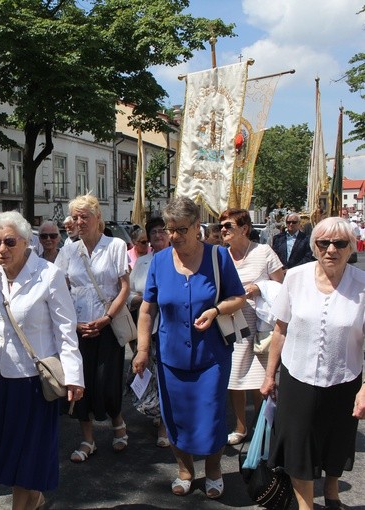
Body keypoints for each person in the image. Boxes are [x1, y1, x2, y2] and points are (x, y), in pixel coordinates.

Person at [0, 210, 84, 510]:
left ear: (26, 242)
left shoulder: (47, 275)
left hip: (34, 380)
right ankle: (35, 498)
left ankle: (22, 505)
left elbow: (66, 330)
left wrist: (74, 376)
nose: (1, 249)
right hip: (0, 377)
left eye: (9, 242)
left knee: (29, 453)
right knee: (12, 450)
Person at [132, 196, 246, 499]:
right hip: (171, 357)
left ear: (197, 227)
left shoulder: (219, 258)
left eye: (180, 229)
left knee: (210, 416)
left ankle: (213, 470)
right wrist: (143, 349)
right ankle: (184, 470)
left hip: (212, 357)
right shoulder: (159, 261)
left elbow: (239, 297)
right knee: (175, 416)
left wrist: (217, 310)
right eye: (170, 230)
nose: (173, 236)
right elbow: (147, 309)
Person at [261, 216, 365, 510]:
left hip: (344, 377)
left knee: (336, 441)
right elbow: (280, 329)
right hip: (298, 375)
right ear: (314, 246)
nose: (331, 249)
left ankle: (331, 493)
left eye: (339, 243)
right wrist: (270, 375)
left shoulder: (363, 285)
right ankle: (306, 506)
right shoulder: (295, 277)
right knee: (298, 444)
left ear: (351, 248)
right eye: (323, 243)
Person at [55, 194, 130, 461]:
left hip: (106, 324)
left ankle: (118, 423)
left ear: (98, 217)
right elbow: (60, 287)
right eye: (75, 217)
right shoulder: (68, 250)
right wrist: (71, 323)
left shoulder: (116, 245)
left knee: (107, 382)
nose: (79, 221)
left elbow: (124, 287)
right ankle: (88, 440)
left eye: (84, 216)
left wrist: (107, 318)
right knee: (79, 384)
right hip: (77, 328)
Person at [218, 208, 284, 447]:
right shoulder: (221, 256)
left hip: (260, 325)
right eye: (221, 226)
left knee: (260, 379)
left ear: (244, 229)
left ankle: (263, 426)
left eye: (228, 226)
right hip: (232, 324)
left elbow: (282, 286)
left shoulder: (263, 252)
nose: (222, 230)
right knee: (234, 379)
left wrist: (259, 288)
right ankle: (240, 427)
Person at [127, 216, 169, 447]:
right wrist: (143, 300)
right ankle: (159, 413)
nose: (158, 235)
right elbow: (128, 294)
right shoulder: (143, 263)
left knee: (166, 376)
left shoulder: (178, 260)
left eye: (163, 231)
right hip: (147, 331)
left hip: (172, 330)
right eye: (154, 232)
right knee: (152, 376)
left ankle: (165, 425)